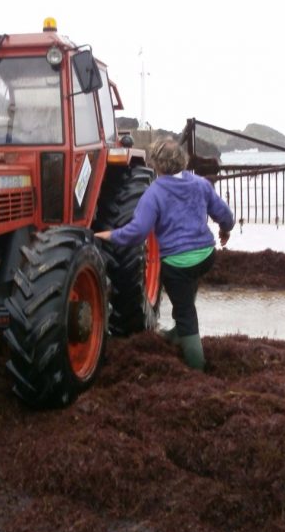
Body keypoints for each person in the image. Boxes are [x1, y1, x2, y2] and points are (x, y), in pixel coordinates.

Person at [96, 137, 235, 370]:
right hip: (206, 256)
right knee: (187, 290)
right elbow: (225, 214)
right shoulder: (201, 184)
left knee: (185, 312)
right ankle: (176, 334)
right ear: (182, 160)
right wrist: (225, 230)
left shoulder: (154, 193)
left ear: (156, 164)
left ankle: (197, 367)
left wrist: (109, 235)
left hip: (178, 263)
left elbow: (137, 232)